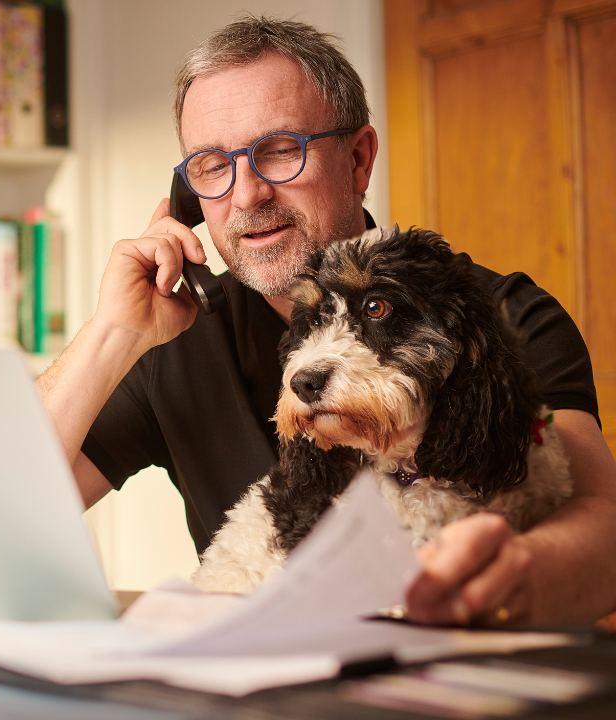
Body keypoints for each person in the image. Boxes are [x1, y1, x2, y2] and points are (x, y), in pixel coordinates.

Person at [37, 16, 616, 626]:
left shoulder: (504, 314)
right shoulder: (172, 338)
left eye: (280, 150)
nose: (246, 195)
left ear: (359, 160)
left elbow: (602, 530)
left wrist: (504, 580)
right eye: (211, 165)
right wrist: (112, 334)